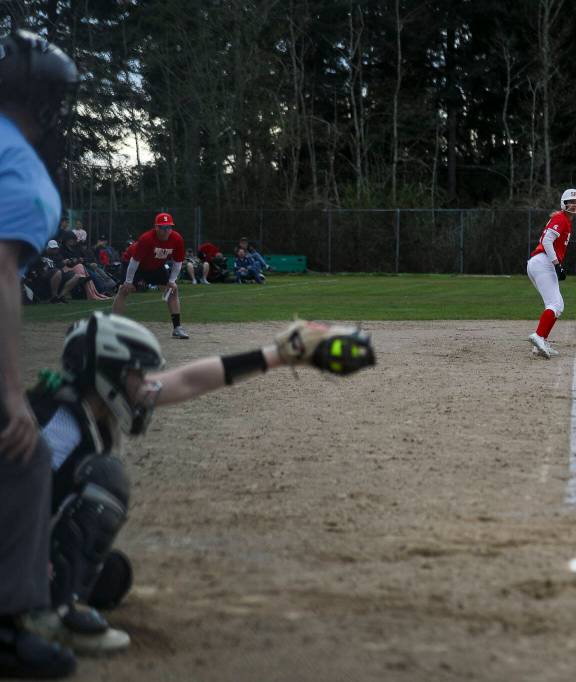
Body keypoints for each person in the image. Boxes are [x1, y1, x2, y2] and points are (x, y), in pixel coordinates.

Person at [21, 312, 375, 654]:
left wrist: (276, 356)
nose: (146, 383)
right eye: (136, 374)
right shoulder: (56, 424)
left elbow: (187, 381)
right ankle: (48, 617)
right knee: (105, 478)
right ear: (106, 372)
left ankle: (35, 591)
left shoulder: (82, 410)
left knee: (110, 577)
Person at [0, 29, 79, 679]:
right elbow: (0, 274)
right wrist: (9, 393)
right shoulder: (19, 167)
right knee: (27, 451)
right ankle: (14, 620)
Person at [112, 212, 189, 338]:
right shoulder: (146, 238)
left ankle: (177, 328)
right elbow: (134, 260)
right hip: (135, 264)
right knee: (123, 290)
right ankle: (114, 327)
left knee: (173, 290)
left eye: (169, 227)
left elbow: (178, 262)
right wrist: (129, 281)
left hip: (156, 266)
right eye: (162, 227)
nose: (166, 231)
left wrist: (172, 281)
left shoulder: (177, 239)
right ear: (156, 227)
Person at [526, 188, 576, 358]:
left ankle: (540, 343)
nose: (574, 205)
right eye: (570, 202)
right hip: (543, 262)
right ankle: (538, 336)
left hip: (539, 263)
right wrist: (557, 265)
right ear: (563, 204)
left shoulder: (564, 219)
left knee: (557, 304)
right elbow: (547, 240)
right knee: (555, 304)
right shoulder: (561, 218)